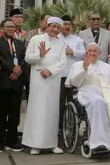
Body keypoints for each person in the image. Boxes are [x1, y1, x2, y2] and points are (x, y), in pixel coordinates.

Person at [66, 43, 110, 154]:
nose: (92, 53)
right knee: (98, 102)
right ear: (86, 52)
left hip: (107, 92)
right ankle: (99, 143)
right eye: (90, 51)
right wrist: (84, 68)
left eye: (95, 51)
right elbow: (74, 82)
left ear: (99, 53)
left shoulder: (106, 66)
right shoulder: (78, 64)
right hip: (86, 92)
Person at [22, 17, 67, 155]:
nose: (55, 29)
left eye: (58, 27)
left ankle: (52, 144)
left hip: (53, 80)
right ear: (47, 26)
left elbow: (63, 61)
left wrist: (50, 71)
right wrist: (39, 56)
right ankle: (35, 144)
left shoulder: (61, 43)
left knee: (52, 111)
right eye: (53, 26)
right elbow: (27, 58)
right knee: (38, 111)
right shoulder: (36, 39)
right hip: (38, 80)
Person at [0, 19, 27, 153]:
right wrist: (12, 68)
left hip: (17, 82)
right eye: (8, 27)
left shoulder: (19, 43)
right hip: (3, 81)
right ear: (2, 28)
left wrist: (18, 70)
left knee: (14, 114)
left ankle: (12, 141)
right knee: (0, 113)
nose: (11, 29)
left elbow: (25, 59)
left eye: (13, 27)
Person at [58, 15, 85, 131]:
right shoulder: (55, 38)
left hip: (73, 76)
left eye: (69, 24)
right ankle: (59, 127)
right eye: (65, 24)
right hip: (58, 76)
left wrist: (72, 51)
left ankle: (71, 126)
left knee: (72, 102)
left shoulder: (77, 40)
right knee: (59, 102)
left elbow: (84, 54)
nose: (67, 26)